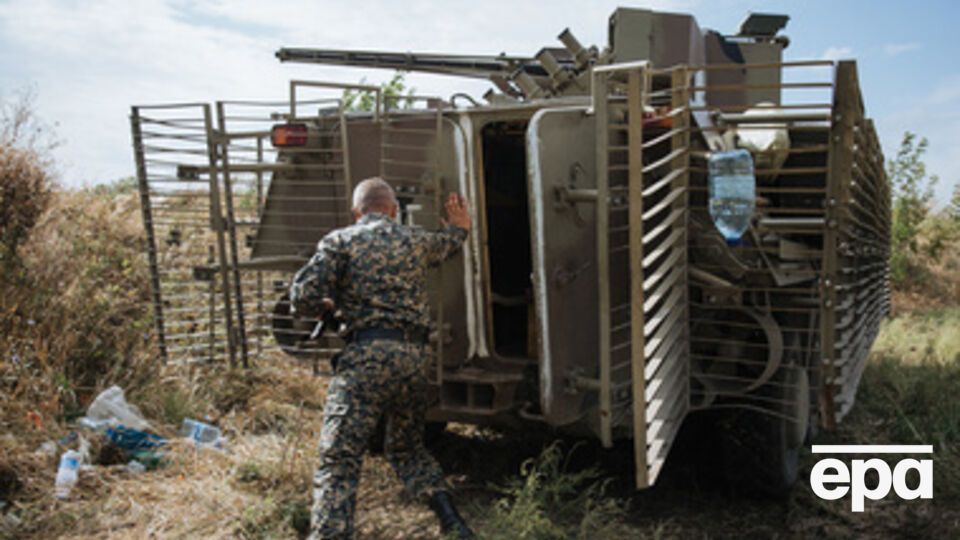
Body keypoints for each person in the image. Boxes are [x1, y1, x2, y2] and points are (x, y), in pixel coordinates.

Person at [290, 177, 474, 540]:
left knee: (339, 457)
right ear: (393, 210)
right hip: (414, 359)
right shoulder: (415, 239)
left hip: (367, 359)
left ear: (357, 212)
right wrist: (461, 229)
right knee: (407, 448)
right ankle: (453, 522)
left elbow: (302, 296)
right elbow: (449, 243)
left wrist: (326, 305)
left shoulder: (340, 240)